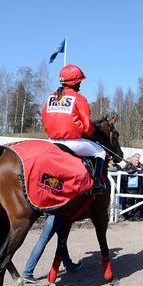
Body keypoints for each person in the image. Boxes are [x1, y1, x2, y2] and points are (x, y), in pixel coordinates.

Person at [41, 64, 106, 194]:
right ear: (75, 82)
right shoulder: (79, 99)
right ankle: (97, 184)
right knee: (101, 152)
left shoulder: (51, 97)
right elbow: (87, 126)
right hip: (73, 143)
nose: (80, 84)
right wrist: (88, 133)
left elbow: (44, 118)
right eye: (80, 82)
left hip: (51, 142)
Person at [22, 214, 82, 283]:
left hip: (50, 212)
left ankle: (68, 264)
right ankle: (27, 272)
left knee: (62, 241)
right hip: (54, 215)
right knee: (42, 240)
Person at [123, 153, 143, 221]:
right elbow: (128, 171)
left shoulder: (141, 165)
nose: (137, 162)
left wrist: (137, 171)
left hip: (139, 187)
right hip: (129, 188)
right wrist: (136, 171)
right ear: (132, 161)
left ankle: (137, 216)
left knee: (139, 202)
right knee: (130, 202)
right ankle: (130, 216)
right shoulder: (128, 165)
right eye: (135, 160)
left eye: (138, 160)